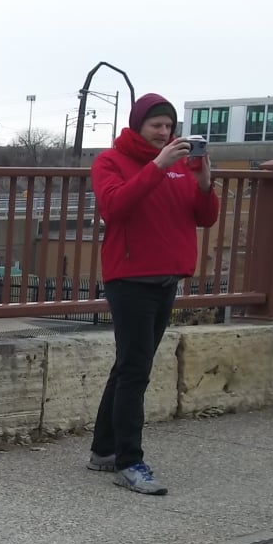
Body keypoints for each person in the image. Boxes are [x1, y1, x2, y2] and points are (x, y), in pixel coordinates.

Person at [89, 93, 220, 495]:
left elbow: (204, 218)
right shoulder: (110, 161)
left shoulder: (182, 164)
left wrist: (204, 185)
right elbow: (115, 206)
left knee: (128, 365)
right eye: (156, 126)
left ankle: (104, 450)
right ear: (138, 126)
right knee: (135, 370)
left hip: (167, 278)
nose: (164, 133)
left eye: (169, 126)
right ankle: (129, 462)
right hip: (130, 279)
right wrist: (158, 166)